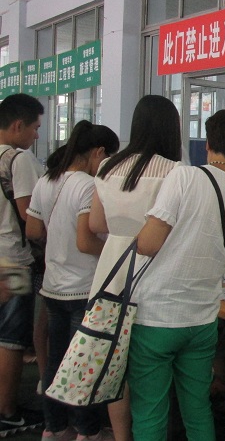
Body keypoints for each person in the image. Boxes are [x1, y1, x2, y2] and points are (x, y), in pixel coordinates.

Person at [130, 109, 225, 441]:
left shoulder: (184, 177)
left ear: (208, 144)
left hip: (157, 315)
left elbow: (148, 243)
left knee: (150, 412)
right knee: (198, 409)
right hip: (202, 318)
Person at [88, 94, 182, 441]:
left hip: (111, 270)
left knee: (116, 367)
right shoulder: (175, 172)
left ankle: (121, 437)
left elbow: (96, 223)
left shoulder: (106, 167)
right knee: (151, 367)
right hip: (155, 271)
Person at [26, 120, 120, 441]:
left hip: (53, 285)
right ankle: (87, 431)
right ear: (98, 152)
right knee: (84, 364)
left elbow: (33, 230)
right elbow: (85, 241)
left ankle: (54, 427)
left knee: (55, 360)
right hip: (83, 287)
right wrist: (117, 248)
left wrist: (57, 244)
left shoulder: (47, 179)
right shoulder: (88, 186)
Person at [0, 93, 44, 437]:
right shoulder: (19, 159)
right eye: (35, 128)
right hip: (12, 262)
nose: (36, 135)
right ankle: (8, 411)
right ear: (18, 125)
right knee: (11, 339)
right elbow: (29, 216)